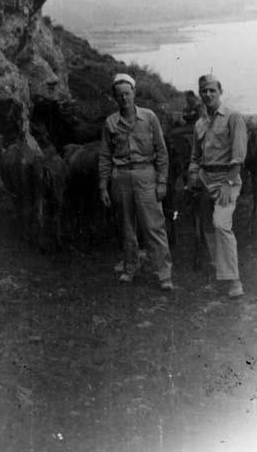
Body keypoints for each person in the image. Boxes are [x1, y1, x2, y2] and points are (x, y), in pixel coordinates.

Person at [99, 73, 174, 291]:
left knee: (154, 226)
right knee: (126, 226)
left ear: (134, 93)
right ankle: (130, 268)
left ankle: (164, 274)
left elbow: (161, 151)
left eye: (127, 93)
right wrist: (103, 185)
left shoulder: (149, 117)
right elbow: (105, 156)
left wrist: (162, 182)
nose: (124, 98)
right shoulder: (111, 123)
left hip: (146, 176)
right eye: (119, 95)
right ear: (115, 97)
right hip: (120, 177)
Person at [188, 74, 247, 297]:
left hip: (227, 180)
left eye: (212, 90)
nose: (208, 94)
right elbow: (194, 156)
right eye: (204, 91)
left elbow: (239, 156)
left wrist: (228, 183)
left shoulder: (233, 118)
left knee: (221, 224)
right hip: (205, 179)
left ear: (220, 91)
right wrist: (193, 174)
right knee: (207, 227)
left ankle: (234, 281)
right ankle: (219, 270)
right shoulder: (200, 124)